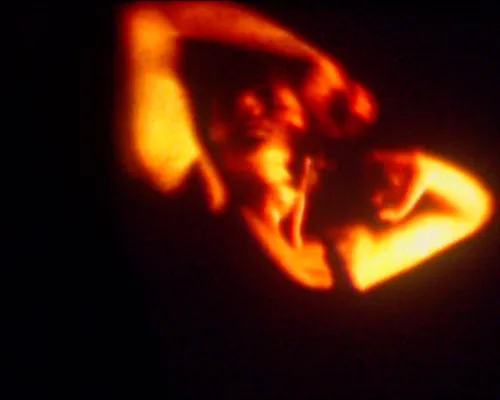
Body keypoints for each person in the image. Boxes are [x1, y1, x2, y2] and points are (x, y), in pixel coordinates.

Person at [118, 2, 493, 294]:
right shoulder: (187, 184)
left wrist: (426, 168)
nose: (247, 104)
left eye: (268, 98)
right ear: (211, 137)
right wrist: (304, 56)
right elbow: (150, 20)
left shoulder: (340, 261)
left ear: (313, 148)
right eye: (229, 104)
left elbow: (470, 211)